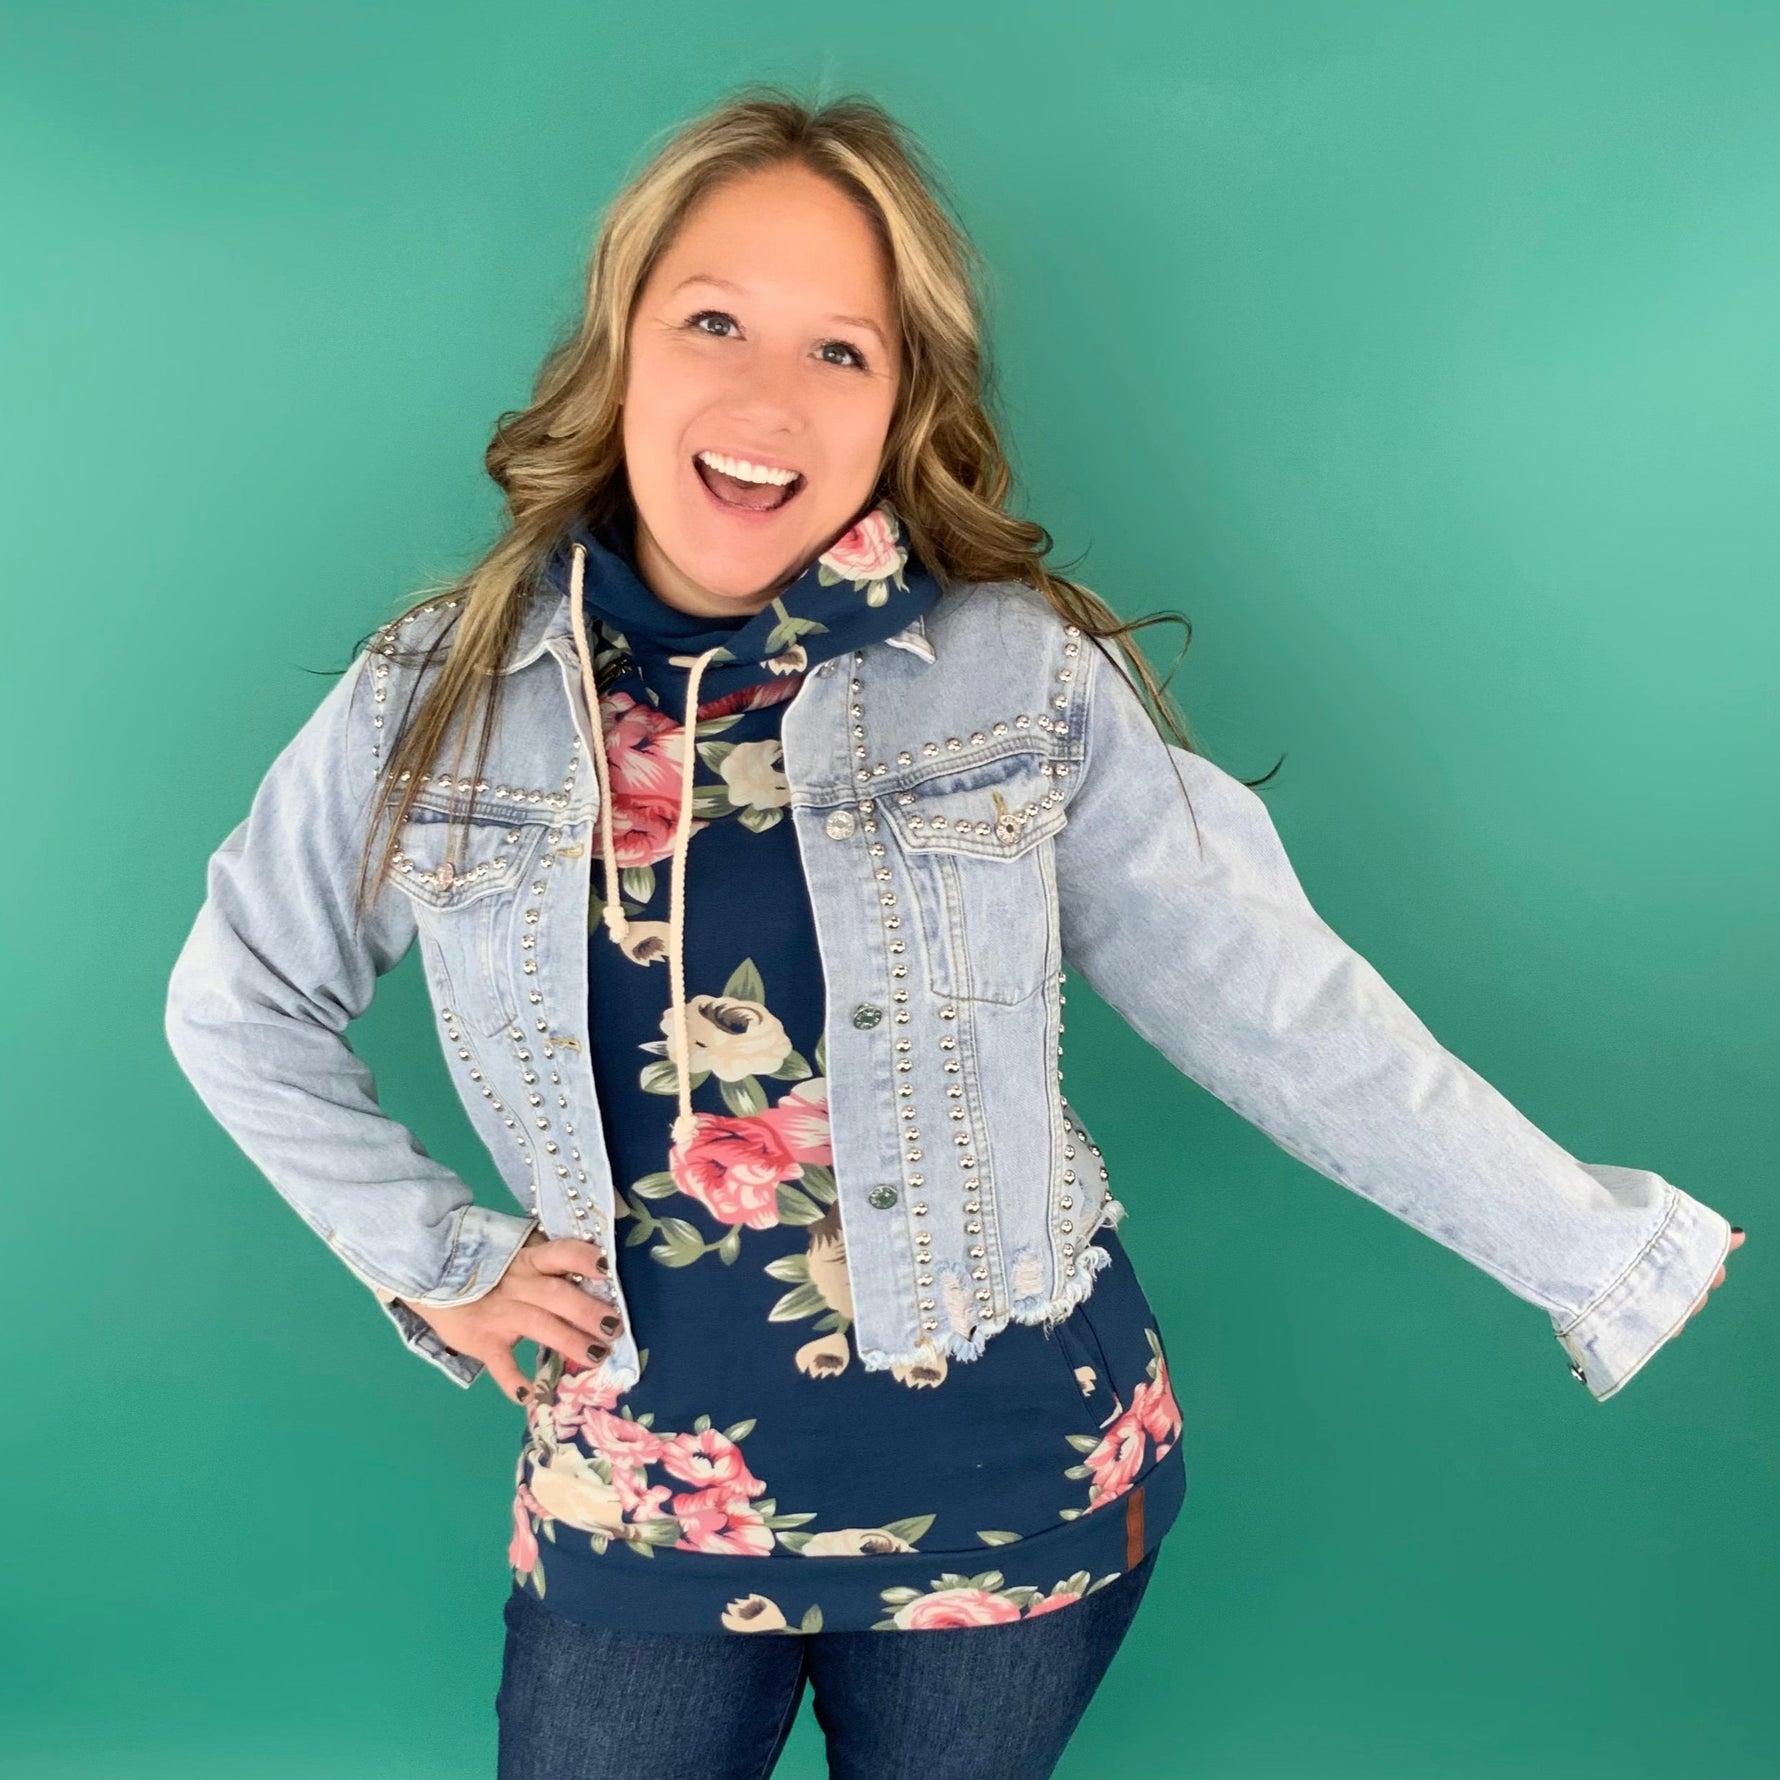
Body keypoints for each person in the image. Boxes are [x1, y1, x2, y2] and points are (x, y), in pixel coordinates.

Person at [164, 86, 1743, 1780]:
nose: (768, 397)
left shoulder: (1020, 677)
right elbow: (240, 1000)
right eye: (713, 321)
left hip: (1014, 1483)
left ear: (902, 404)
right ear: (621, 347)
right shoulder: (433, 690)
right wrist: (439, 1260)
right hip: (639, 1499)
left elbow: (1277, 1009)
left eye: (842, 350)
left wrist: (1597, 1251)